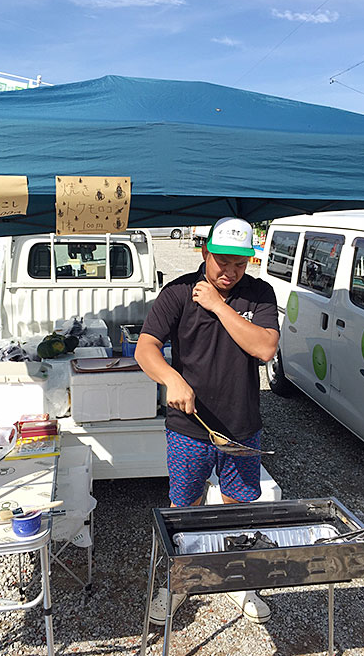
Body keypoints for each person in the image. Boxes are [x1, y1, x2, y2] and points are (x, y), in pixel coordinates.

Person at [135, 217, 280, 625]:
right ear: (204, 252)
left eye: (239, 263)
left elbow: (265, 349)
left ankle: (238, 581)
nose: (229, 271)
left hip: (241, 424)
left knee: (239, 505)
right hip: (188, 426)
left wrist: (217, 305)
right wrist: (170, 377)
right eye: (222, 260)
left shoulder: (259, 293)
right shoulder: (178, 291)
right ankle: (181, 581)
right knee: (186, 506)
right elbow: (146, 347)